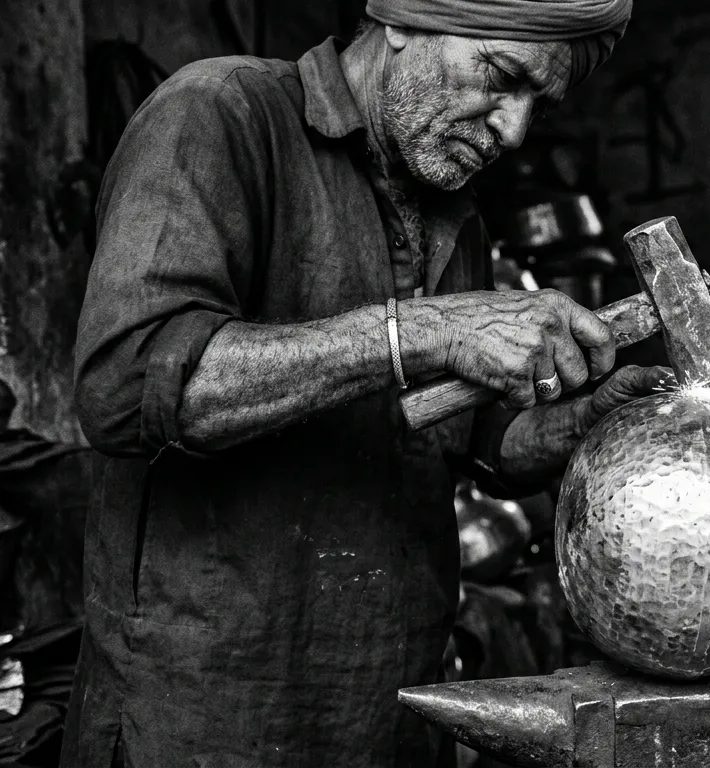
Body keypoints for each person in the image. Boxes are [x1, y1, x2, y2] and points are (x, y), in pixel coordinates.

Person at [61, 1, 663, 766]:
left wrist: (587, 423)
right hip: (207, 720)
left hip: (394, 713)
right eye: (502, 77)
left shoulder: (452, 210)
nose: (513, 130)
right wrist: (422, 330)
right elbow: (129, 379)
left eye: (537, 104)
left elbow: (467, 438)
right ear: (405, 19)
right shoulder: (220, 113)